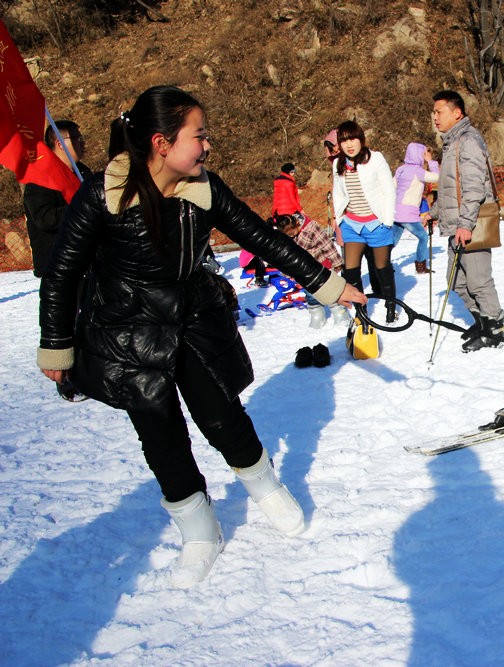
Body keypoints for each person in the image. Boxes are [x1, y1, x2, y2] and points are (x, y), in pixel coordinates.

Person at [36, 86, 367, 587]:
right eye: (199, 136)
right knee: (160, 435)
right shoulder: (101, 194)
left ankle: (265, 486)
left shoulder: (203, 190)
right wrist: (56, 343)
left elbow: (264, 237)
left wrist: (327, 282)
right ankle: (198, 530)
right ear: (162, 143)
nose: (208, 146)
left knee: (221, 414)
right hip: (129, 336)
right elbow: (61, 274)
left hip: (193, 323)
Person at [428, 89, 504, 353]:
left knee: (478, 281)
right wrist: (434, 212)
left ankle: (494, 327)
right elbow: (451, 187)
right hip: (456, 224)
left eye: (439, 112)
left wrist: (465, 224)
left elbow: (473, 188)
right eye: (434, 112)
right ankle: (480, 321)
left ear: (456, 113)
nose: (435, 117)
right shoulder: (451, 142)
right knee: (457, 281)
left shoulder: (468, 140)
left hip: (470, 225)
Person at [331, 120, 398, 323]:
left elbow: (388, 190)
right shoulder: (338, 164)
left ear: (360, 139)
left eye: (353, 139)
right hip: (352, 224)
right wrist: (339, 220)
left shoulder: (375, 159)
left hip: (376, 223)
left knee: (382, 268)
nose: (349, 144)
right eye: (344, 141)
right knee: (351, 271)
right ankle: (361, 311)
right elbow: (337, 193)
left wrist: (386, 221)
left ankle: (390, 306)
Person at [24, 120, 91, 278]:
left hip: (87, 262)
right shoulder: (41, 177)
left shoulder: (82, 172)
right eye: (77, 138)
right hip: (58, 266)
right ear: (60, 144)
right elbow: (44, 218)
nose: (82, 143)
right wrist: (81, 210)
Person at [272, 213, 345, 328]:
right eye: (288, 235)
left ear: (296, 223)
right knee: (310, 293)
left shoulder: (310, 228)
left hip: (321, 265)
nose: (291, 237)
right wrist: (287, 272)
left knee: (329, 290)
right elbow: (285, 254)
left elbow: (326, 244)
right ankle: (317, 314)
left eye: (292, 233)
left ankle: (339, 312)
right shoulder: (285, 236)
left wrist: (336, 262)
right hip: (303, 270)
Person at [393, 142, 438, 274]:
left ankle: (381, 264)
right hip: (408, 213)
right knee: (423, 237)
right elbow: (436, 177)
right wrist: (431, 161)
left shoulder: (401, 169)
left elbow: (392, 185)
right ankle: (421, 266)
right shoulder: (418, 171)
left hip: (396, 212)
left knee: (392, 241)